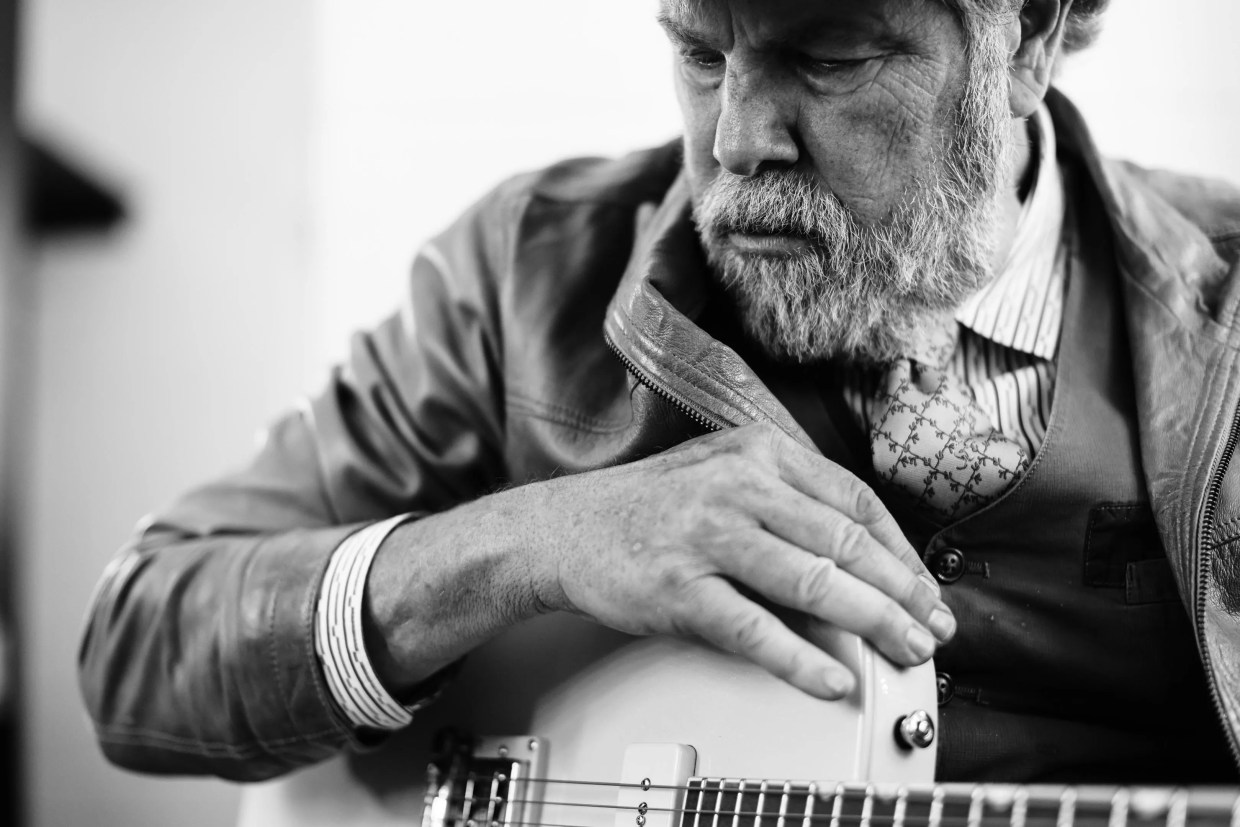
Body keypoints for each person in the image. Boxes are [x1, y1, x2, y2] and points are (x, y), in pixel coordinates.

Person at [78, 0, 1240, 802]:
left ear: (1027, 31)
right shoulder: (522, 270)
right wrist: (534, 539)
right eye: (698, 52)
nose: (737, 140)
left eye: (828, 59)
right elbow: (139, 642)